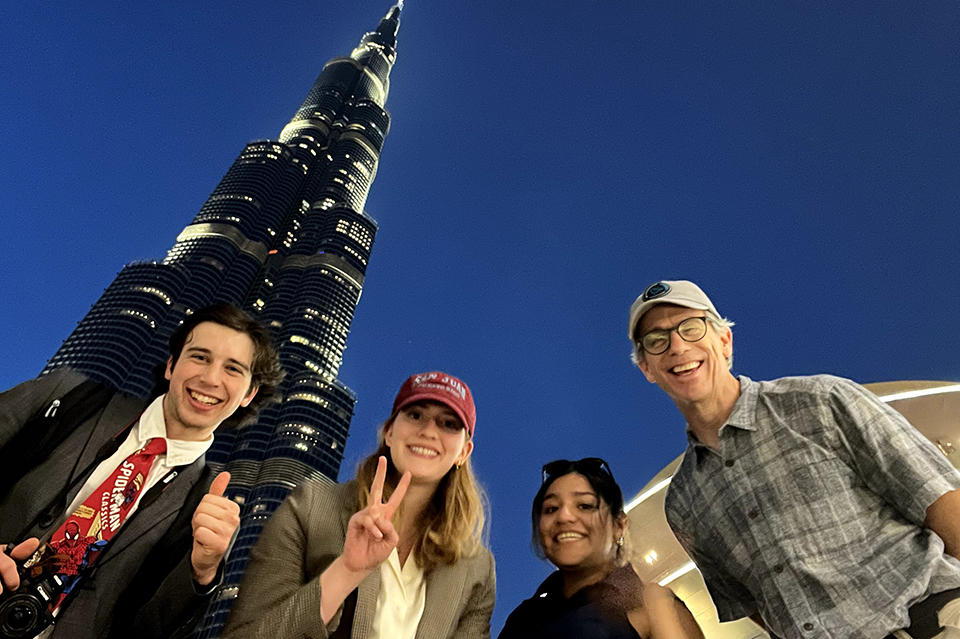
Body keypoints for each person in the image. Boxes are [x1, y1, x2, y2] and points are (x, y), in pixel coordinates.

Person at [627, 279, 960, 639]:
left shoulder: (822, 400)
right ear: (647, 368)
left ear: (724, 340)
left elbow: (941, 501)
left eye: (691, 328)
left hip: (929, 620)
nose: (677, 346)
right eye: (657, 341)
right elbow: (750, 603)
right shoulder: (683, 503)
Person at [0, 302, 283, 639]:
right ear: (170, 365)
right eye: (200, 357)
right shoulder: (64, 395)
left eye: (233, 369)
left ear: (249, 394)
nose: (210, 378)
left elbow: (151, 629)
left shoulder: (208, 509)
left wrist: (203, 573)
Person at [223, 371, 495, 639]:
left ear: (463, 452)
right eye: (415, 415)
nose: (428, 432)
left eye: (448, 424)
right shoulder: (310, 507)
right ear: (389, 432)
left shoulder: (476, 567)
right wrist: (346, 572)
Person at [498, 457, 704, 639]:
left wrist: (661, 610)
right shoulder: (523, 617)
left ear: (619, 526)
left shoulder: (651, 605)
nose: (564, 517)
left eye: (585, 506)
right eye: (551, 509)